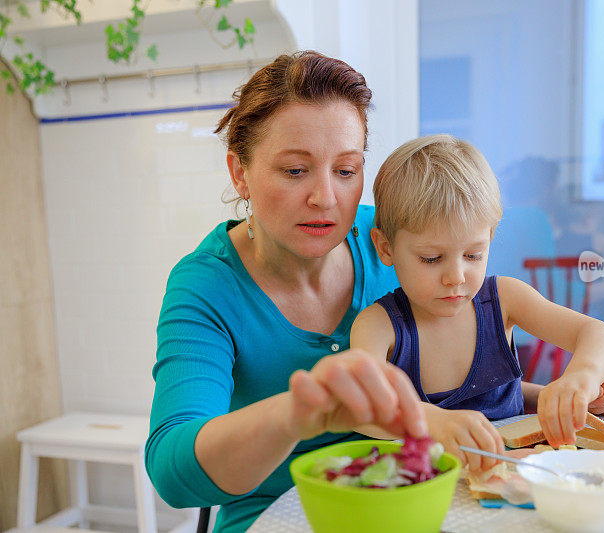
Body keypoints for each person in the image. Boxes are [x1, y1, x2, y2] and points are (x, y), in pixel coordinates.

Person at [145, 51, 429, 533]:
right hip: (270, 517)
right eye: (296, 171)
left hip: (399, 501)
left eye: (345, 170)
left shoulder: (393, 246)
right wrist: (293, 414)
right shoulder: (207, 286)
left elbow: (473, 336)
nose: (326, 197)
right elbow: (173, 472)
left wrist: (541, 397)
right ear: (240, 174)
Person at [350, 134, 604, 471]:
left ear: (491, 237)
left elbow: (601, 335)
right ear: (386, 248)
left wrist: (578, 382)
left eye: (473, 254)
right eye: (431, 258)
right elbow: (359, 408)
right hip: (433, 494)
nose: (457, 276)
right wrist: (432, 421)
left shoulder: (505, 300)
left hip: (522, 480)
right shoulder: (377, 327)